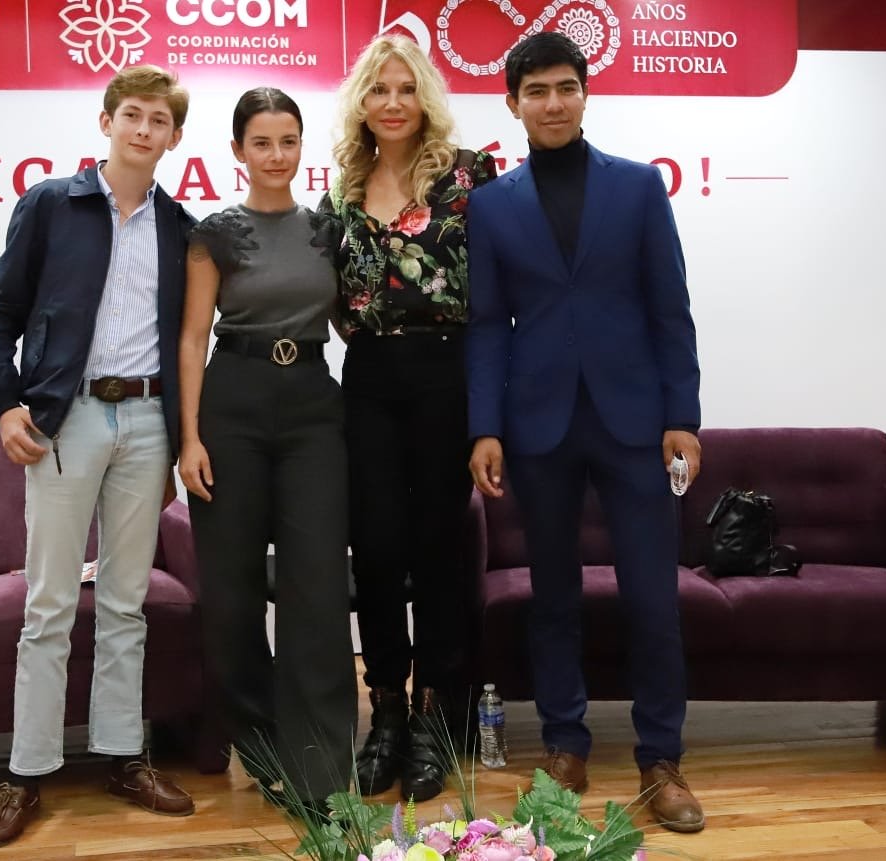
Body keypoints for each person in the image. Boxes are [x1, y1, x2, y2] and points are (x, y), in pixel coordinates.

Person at [465, 32, 705, 833]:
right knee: (552, 596)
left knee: (652, 597)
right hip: (537, 424)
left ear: (584, 93)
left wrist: (681, 416)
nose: (553, 103)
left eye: (565, 87)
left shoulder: (636, 187)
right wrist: (484, 426)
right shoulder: (491, 204)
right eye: (536, 91)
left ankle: (660, 758)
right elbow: (486, 325)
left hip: (633, 421)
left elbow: (669, 308)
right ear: (512, 104)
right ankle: (564, 743)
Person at [0, 65, 197, 848]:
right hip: (64, 421)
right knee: (49, 603)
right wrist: (4, 403)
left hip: (148, 422)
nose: (143, 129)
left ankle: (123, 756)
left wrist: (183, 435)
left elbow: (188, 340)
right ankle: (26, 771)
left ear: (174, 136)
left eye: (158, 120)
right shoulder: (49, 204)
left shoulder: (180, 227)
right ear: (107, 122)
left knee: (127, 600)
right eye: (131, 114)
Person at [321, 35, 496, 802]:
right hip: (367, 376)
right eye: (377, 89)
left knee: (438, 550)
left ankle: (434, 717)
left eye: (404, 88)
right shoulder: (343, 186)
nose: (391, 102)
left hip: (444, 372)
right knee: (375, 548)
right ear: (361, 102)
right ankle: (385, 711)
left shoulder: (468, 176)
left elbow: (495, 295)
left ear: (423, 96)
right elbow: (334, 297)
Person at [178, 87, 357, 812]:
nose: (276, 155)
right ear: (238, 151)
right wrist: (189, 438)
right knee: (231, 590)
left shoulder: (328, 230)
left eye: (288, 141)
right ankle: (260, 746)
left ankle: (321, 766)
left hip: (313, 405)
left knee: (318, 587)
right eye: (261, 143)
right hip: (233, 404)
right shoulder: (214, 233)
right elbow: (193, 336)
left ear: (301, 146)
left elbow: (349, 323)